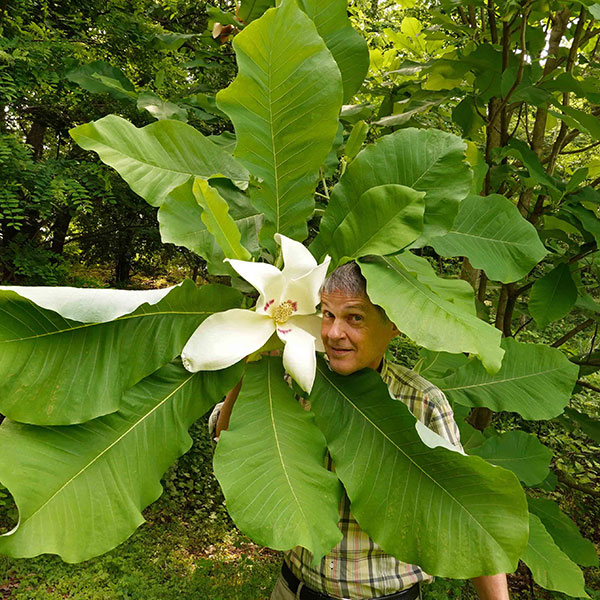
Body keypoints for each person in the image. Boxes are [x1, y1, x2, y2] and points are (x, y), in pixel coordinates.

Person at [212, 261, 510, 600]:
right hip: (295, 591)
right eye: (327, 314)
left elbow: (466, 514)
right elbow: (227, 438)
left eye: (355, 318)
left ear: (393, 324)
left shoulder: (420, 402)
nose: (335, 333)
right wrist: (249, 365)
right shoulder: (291, 382)